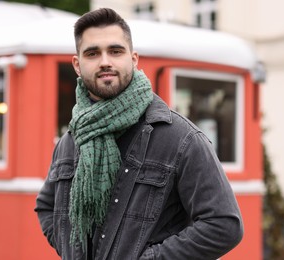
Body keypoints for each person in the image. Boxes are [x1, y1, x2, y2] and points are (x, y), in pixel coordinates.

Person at [35, 8, 243, 260]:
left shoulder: (181, 138)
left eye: (115, 51)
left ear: (133, 59)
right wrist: (71, 248)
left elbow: (224, 225)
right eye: (92, 53)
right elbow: (46, 206)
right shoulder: (71, 139)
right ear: (78, 65)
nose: (105, 61)